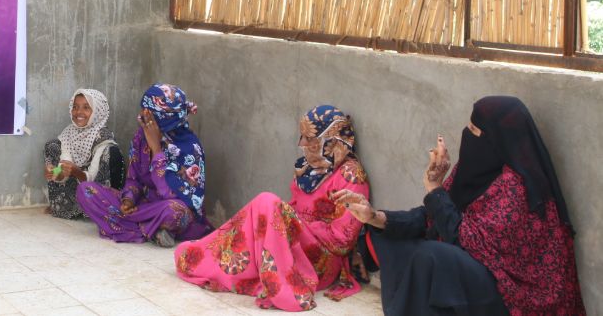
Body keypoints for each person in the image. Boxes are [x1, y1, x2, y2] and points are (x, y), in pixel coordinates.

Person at [336, 96, 586, 315]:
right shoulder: (476, 170)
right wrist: (375, 217)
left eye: (474, 130)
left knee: (432, 256)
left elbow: (465, 240)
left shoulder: (517, 187)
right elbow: (432, 217)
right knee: (390, 238)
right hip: (477, 270)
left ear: (497, 140)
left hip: (513, 298)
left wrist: (435, 189)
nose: (467, 134)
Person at [175, 105, 370, 311]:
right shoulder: (308, 167)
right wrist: (289, 222)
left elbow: (342, 242)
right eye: (301, 136)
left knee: (267, 201)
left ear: (331, 142)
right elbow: (293, 209)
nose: (301, 143)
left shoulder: (351, 175)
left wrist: (296, 224)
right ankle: (212, 256)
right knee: (264, 208)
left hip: (322, 260)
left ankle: (282, 287)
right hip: (298, 244)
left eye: (310, 139)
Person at [75, 83, 210, 246]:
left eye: (149, 113)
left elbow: (173, 196)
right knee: (86, 190)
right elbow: (133, 178)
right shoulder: (141, 137)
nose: (142, 116)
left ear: (165, 117)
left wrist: (156, 150)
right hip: (142, 205)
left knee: (174, 213)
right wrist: (128, 200)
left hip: (167, 207)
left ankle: (134, 226)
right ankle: (152, 230)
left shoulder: (189, 147)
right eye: (143, 110)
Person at [43, 88, 125, 219]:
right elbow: (65, 164)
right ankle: (67, 206)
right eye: (75, 107)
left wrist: (77, 172)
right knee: (52, 145)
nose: (78, 112)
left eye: (86, 108)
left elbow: (92, 177)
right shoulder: (69, 132)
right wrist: (56, 173)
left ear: (97, 112)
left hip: (94, 193)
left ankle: (101, 210)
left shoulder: (103, 138)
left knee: (111, 152)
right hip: (75, 190)